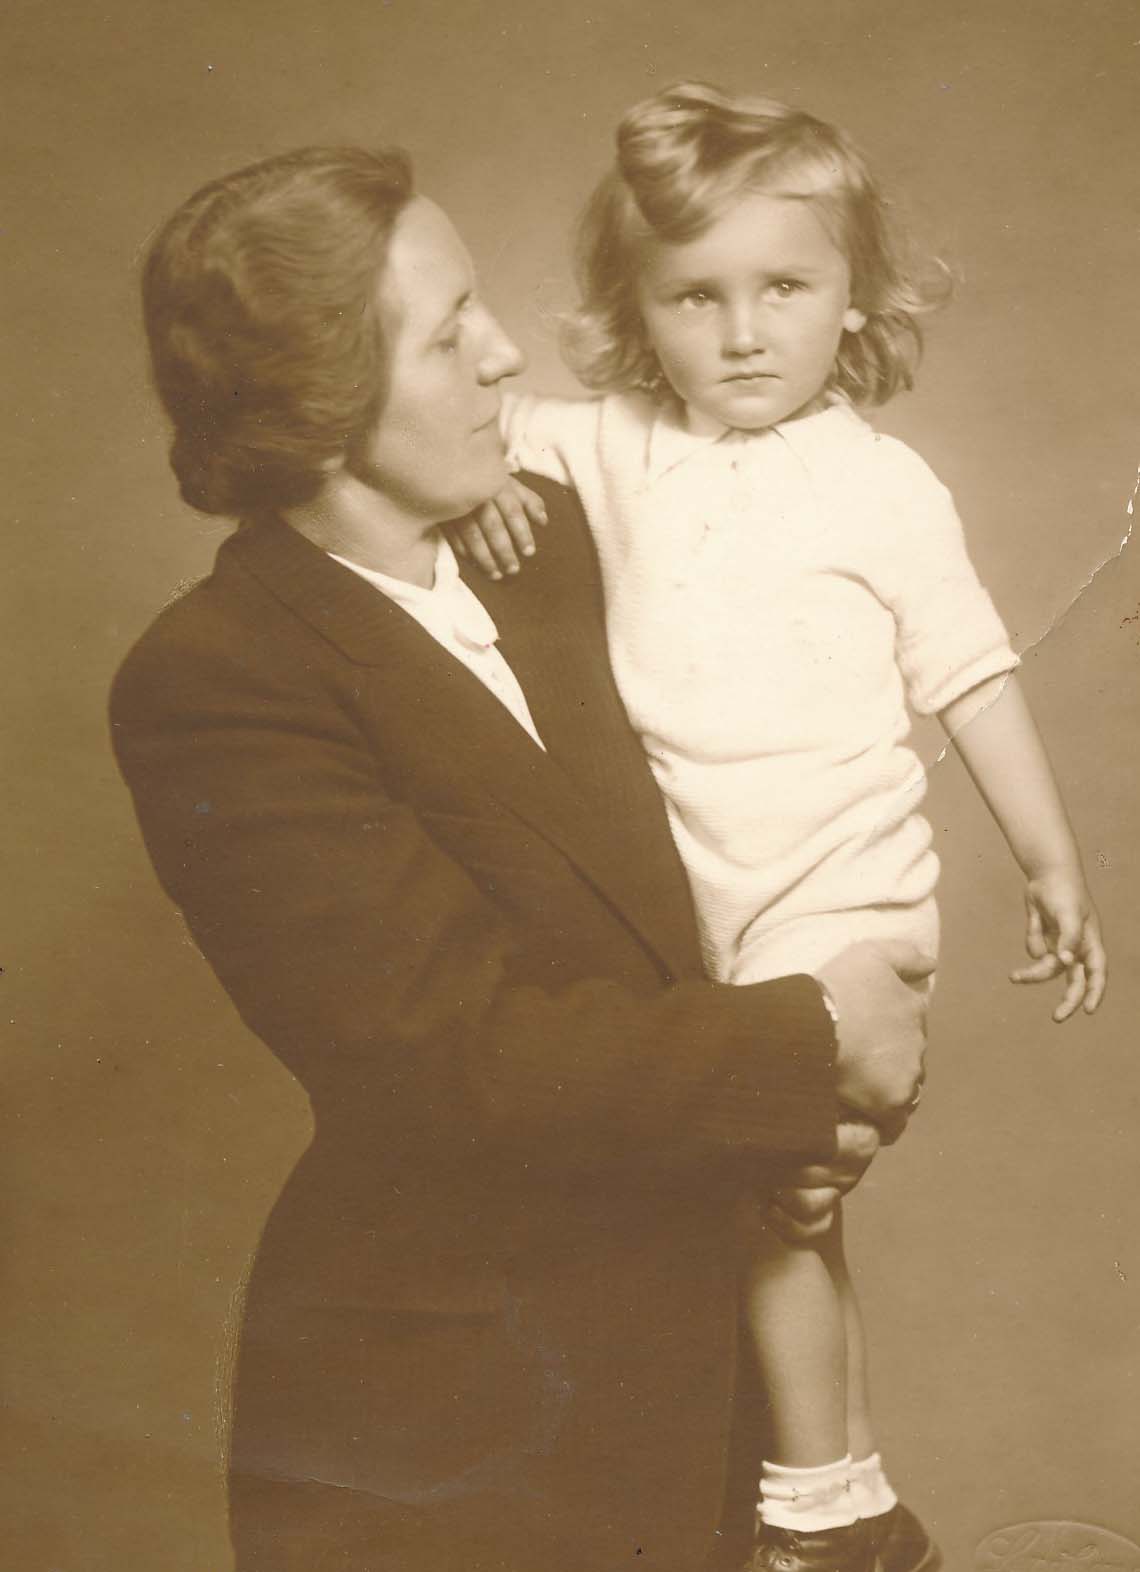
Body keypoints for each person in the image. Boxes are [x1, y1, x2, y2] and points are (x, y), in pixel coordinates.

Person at [109, 146, 933, 1572]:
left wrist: (838, 1033)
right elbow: (452, 1060)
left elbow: (773, 804)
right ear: (323, 398)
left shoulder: (551, 554)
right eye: (450, 333)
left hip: (703, 1376)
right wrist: (814, 1046)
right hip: (448, 1442)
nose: (506, 355)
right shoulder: (218, 676)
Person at [457, 83, 1108, 1572]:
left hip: (840, 901)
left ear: (853, 295)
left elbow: (972, 674)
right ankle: (847, 1507)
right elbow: (444, 423)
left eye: (786, 289)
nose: (744, 334)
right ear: (637, 309)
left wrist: (1051, 860)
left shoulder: (882, 486)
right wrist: (482, 482)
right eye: (696, 296)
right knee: (764, 1201)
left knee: (773, 1205)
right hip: (699, 909)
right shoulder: (609, 445)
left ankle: (820, 1514)